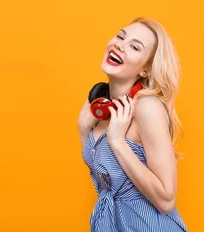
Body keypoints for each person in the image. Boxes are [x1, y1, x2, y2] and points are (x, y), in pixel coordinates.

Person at [77, 17, 188, 231]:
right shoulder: (105, 110)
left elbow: (166, 200)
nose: (120, 44)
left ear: (145, 70)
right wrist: (83, 130)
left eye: (134, 47)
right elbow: (105, 183)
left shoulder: (147, 107)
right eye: (120, 36)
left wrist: (118, 142)